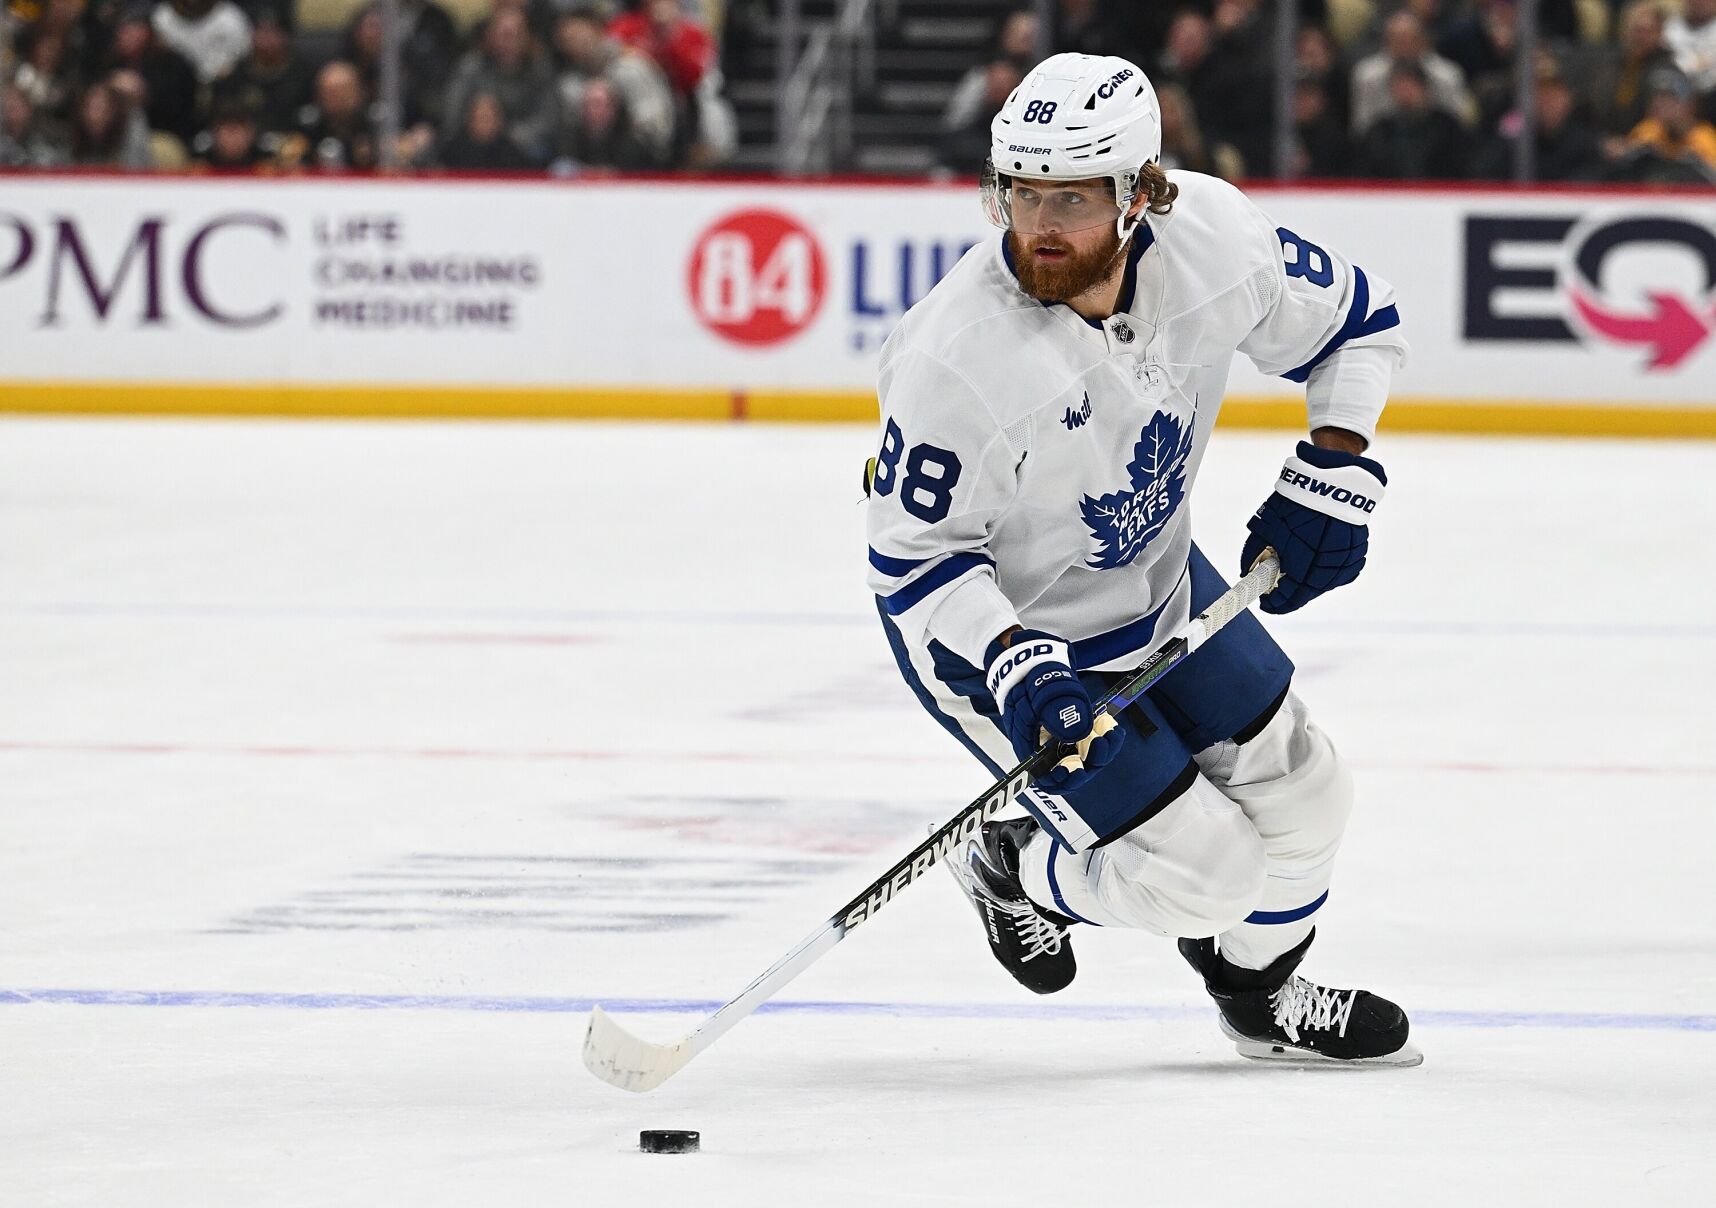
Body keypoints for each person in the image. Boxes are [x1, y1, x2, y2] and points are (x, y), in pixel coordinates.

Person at [865, 52, 1418, 1066]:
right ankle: (1015, 866)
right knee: (1205, 877)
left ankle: (1261, 1001)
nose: (1038, 226)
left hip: (1156, 584)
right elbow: (914, 562)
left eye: (1071, 198)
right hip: (1006, 642)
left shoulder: (1216, 239)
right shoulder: (953, 357)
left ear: (1141, 194)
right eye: (1021, 193)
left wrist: (1334, 468)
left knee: (1309, 796)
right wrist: (1015, 663)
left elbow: (1361, 322)